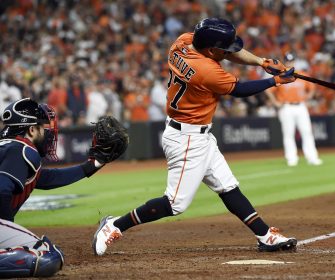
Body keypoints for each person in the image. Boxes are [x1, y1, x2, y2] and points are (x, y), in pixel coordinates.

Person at [92, 18, 297, 256]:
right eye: (223, 49)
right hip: (187, 139)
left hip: (196, 134)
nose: (229, 51)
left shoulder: (183, 42)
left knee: (228, 186)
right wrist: (275, 81)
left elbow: (227, 53)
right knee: (175, 203)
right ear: (211, 50)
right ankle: (114, 225)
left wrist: (261, 62)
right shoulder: (207, 71)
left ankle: (265, 235)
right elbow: (239, 90)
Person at [0, 98, 119, 277]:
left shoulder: (10, 148)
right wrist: (7, 227)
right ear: (31, 129)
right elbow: (2, 190)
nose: (48, 133)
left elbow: (47, 179)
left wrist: (93, 164)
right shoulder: (23, 149)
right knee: (47, 257)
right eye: (43, 127)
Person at [266, 53, 322, 166]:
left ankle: (312, 157)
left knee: (307, 132)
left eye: (291, 61)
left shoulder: (301, 75)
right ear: (285, 62)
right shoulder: (280, 75)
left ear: (294, 62)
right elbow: (268, 90)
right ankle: (291, 158)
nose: (290, 63)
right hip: (286, 107)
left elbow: (312, 88)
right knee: (288, 134)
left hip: (301, 106)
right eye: (288, 61)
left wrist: (308, 97)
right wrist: (275, 102)